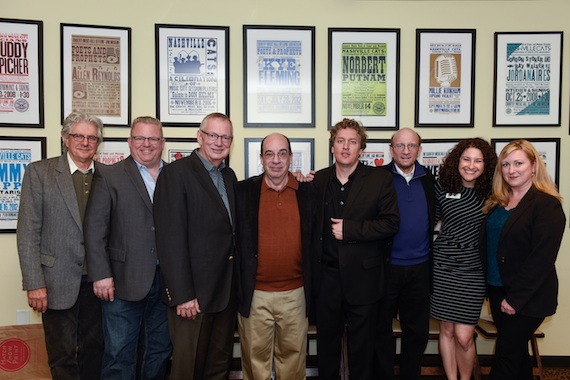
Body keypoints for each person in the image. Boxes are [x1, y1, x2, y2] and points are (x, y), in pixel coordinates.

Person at [16, 112, 105, 380]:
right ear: (66, 138)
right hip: (55, 281)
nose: (85, 142)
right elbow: (28, 231)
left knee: (96, 351)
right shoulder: (40, 172)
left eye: (92, 137)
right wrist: (34, 283)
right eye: (79, 135)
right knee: (62, 355)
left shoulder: (108, 176)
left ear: (98, 142)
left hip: (99, 283)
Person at [83, 116, 172, 379]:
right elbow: (94, 228)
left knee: (158, 352)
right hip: (122, 282)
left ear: (162, 142)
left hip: (167, 282)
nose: (147, 144)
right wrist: (100, 274)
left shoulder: (175, 175)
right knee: (119, 354)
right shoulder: (109, 175)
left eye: (153, 138)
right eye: (140, 138)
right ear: (129, 141)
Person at [313, 118, 400, 379]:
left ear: (361, 148)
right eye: (340, 141)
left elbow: (391, 223)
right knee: (327, 347)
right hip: (327, 279)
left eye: (353, 142)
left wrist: (350, 230)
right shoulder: (318, 180)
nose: (346, 147)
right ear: (332, 147)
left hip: (364, 279)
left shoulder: (380, 180)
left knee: (363, 349)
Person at [153, 112, 237, 380]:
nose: (219, 142)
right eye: (213, 135)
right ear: (200, 136)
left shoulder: (229, 176)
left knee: (218, 367)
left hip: (224, 294)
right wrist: (183, 294)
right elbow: (170, 239)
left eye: (225, 137)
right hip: (192, 299)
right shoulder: (176, 174)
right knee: (187, 370)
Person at [480, 139, 565, 380]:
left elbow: (542, 258)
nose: (511, 170)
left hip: (527, 297)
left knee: (506, 355)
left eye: (518, 163)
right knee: (516, 355)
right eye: (505, 164)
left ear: (534, 166)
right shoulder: (498, 203)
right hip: (498, 290)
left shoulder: (546, 204)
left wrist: (516, 299)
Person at [234, 133, 316, 380]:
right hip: (255, 295)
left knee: (292, 362)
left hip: (295, 295)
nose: (276, 160)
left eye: (282, 153)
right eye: (269, 154)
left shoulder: (309, 192)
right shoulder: (242, 192)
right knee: (254, 364)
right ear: (261, 158)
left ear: (291, 158)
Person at [429, 138, 497, 380]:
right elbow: (428, 222)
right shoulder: (441, 186)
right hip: (443, 265)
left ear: (486, 165)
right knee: (446, 330)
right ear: (457, 161)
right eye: (466, 159)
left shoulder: (493, 192)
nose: (471, 165)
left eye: (478, 160)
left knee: (464, 336)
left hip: (474, 269)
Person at [376, 128, 435, 380]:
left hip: (420, 268)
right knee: (380, 330)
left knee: (417, 332)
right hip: (386, 267)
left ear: (419, 150)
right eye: (400, 146)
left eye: (411, 146)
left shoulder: (429, 179)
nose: (406, 150)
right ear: (391, 150)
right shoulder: (376, 178)